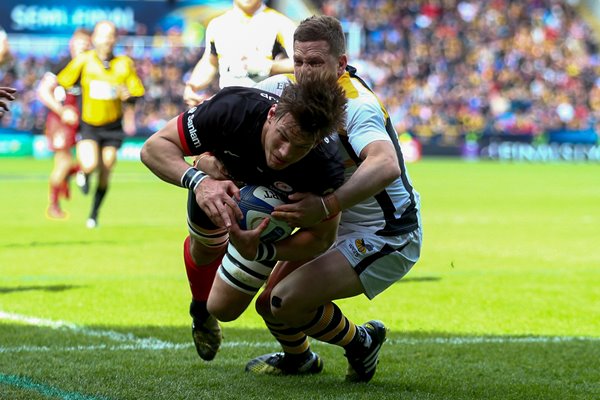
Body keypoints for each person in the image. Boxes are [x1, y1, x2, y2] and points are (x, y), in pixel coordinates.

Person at [240, 15, 423, 383]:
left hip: (385, 232)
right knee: (268, 305)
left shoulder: (357, 105)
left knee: (284, 301)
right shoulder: (290, 92)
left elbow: (385, 164)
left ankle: (362, 341)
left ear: (341, 64)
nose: (305, 73)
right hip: (332, 226)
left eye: (316, 63)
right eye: (299, 62)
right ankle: (300, 360)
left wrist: (326, 206)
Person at [141, 70, 347, 363]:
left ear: (315, 143)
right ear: (272, 114)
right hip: (215, 183)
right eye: (283, 137)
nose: (285, 153)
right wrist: (199, 180)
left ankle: (309, 352)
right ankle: (199, 311)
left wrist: (265, 249)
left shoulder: (326, 167)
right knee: (204, 254)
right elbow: (153, 148)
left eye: (300, 147)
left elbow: (322, 238)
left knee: (224, 309)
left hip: (264, 218)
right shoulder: (233, 107)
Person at [57, 21, 145, 228]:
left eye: (111, 35)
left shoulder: (124, 63)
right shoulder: (84, 61)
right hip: (89, 124)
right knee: (89, 164)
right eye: (102, 35)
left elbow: (137, 92)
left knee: (106, 169)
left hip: (113, 127)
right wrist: (65, 107)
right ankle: (84, 174)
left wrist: (128, 96)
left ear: (115, 39)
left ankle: (94, 214)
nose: (106, 39)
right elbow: (63, 82)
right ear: (94, 39)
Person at [183, 0, 296, 107]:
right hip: (228, 105)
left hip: (266, 108)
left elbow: (301, 63)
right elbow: (210, 62)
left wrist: (269, 67)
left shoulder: (281, 23)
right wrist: (192, 86)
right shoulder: (217, 24)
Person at [37, 28, 92, 219]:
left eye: (86, 43)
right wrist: (62, 111)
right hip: (60, 122)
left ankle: (74, 176)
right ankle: (53, 205)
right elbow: (43, 91)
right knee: (63, 162)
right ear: (72, 43)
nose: (83, 46)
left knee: (89, 161)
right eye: (79, 42)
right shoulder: (61, 64)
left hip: (83, 120)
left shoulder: (91, 66)